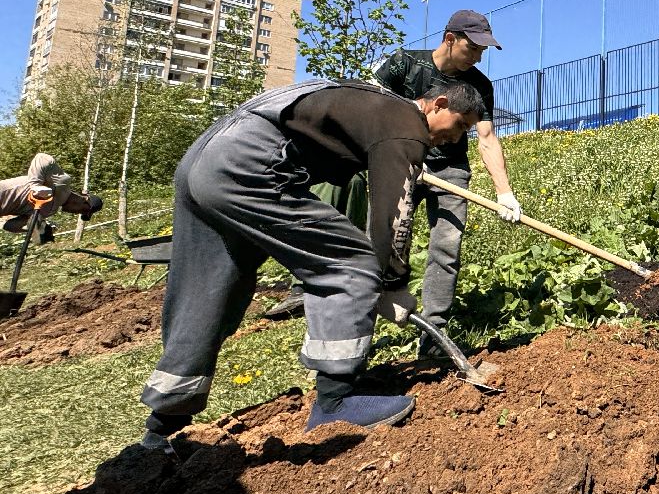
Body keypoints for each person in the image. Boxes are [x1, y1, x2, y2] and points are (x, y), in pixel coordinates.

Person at [139, 78, 485, 451]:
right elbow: (392, 219)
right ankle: (335, 402)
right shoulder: (406, 126)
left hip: (207, 156)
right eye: (461, 125)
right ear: (439, 104)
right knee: (352, 263)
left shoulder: (376, 104)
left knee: (210, 287)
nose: (457, 138)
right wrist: (392, 283)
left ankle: (163, 426)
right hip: (252, 163)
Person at [372, 9, 521, 351]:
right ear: (450, 39)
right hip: (401, 164)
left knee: (446, 247)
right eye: (474, 48)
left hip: (450, 171)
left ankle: (433, 334)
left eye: (483, 51)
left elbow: (486, 138)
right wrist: (399, 159)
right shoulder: (404, 64)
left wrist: (504, 193)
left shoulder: (479, 85)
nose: (478, 57)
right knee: (385, 245)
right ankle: (361, 330)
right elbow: (371, 108)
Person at [0, 154, 103, 243]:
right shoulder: (62, 184)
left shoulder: (49, 211)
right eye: (83, 210)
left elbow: (9, 226)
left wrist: (36, 228)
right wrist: (35, 186)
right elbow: (41, 158)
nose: (76, 213)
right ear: (84, 200)